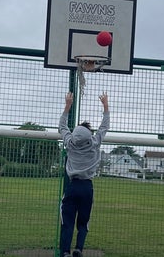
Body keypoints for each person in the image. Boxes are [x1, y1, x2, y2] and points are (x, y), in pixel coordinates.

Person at [59, 91, 109, 257]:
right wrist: (105, 106)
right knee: (83, 222)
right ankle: (79, 249)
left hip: (72, 186)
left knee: (67, 221)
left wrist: (68, 105)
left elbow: (62, 126)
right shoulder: (94, 143)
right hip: (87, 187)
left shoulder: (70, 143)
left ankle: (65, 252)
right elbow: (104, 127)